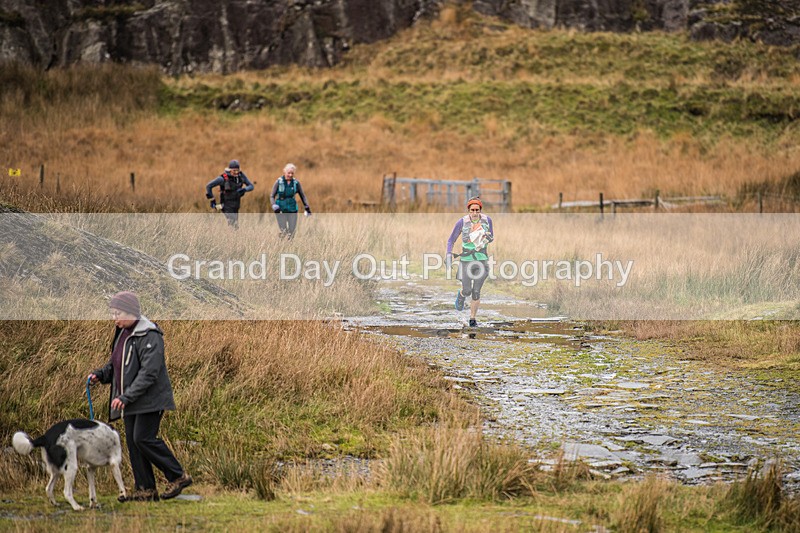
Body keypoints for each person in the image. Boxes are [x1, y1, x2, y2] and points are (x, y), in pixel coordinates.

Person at [88, 291, 192, 502]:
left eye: (118, 313)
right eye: (113, 313)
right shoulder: (122, 333)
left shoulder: (150, 335)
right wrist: (100, 374)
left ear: (132, 312)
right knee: (134, 444)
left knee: (143, 438)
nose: (114, 318)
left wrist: (126, 397)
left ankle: (178, 476)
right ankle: (145, 490)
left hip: (150, 400)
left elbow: (149, 373)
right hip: (130, 401)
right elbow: (115, 365)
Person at [446, 197, 494, 328]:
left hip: (481, 260)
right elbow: (451, 240)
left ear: (480, 210)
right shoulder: (461, 222)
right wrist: (449, 254)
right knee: (467, 290)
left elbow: (492, 237)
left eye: (477, 210)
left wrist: (489, 238)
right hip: (466, 260)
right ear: (468, 210)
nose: (474, 213)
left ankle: (472, 319)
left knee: (476, 291)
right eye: (472, 210)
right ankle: (461, 296)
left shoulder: (487, 220)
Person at [205, 159, 254, 228]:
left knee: (234, 225)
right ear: (229, 170)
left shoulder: (241, 176)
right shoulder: (222, 179)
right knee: (234, 226)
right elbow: (208, 186)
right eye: (234, 170)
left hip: (236, 205)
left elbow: (251, 186)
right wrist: (212, 199)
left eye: (237, 170)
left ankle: (213, 212)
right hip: (226, 205)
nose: (236, 172)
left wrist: (244, 189)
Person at [270, 163, 311, 239]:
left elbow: (303, 196)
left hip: (292, 209)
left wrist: (306, 206)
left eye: (292, 173)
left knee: (292, 231)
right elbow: (272, 196)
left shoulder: (296, 183)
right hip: (280, 209)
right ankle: (281, 245)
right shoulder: (278, 182)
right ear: (284, 172)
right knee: (283, 230)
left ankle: (289, 246)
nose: (290, 175)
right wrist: (274, 205)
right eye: (289, 173)